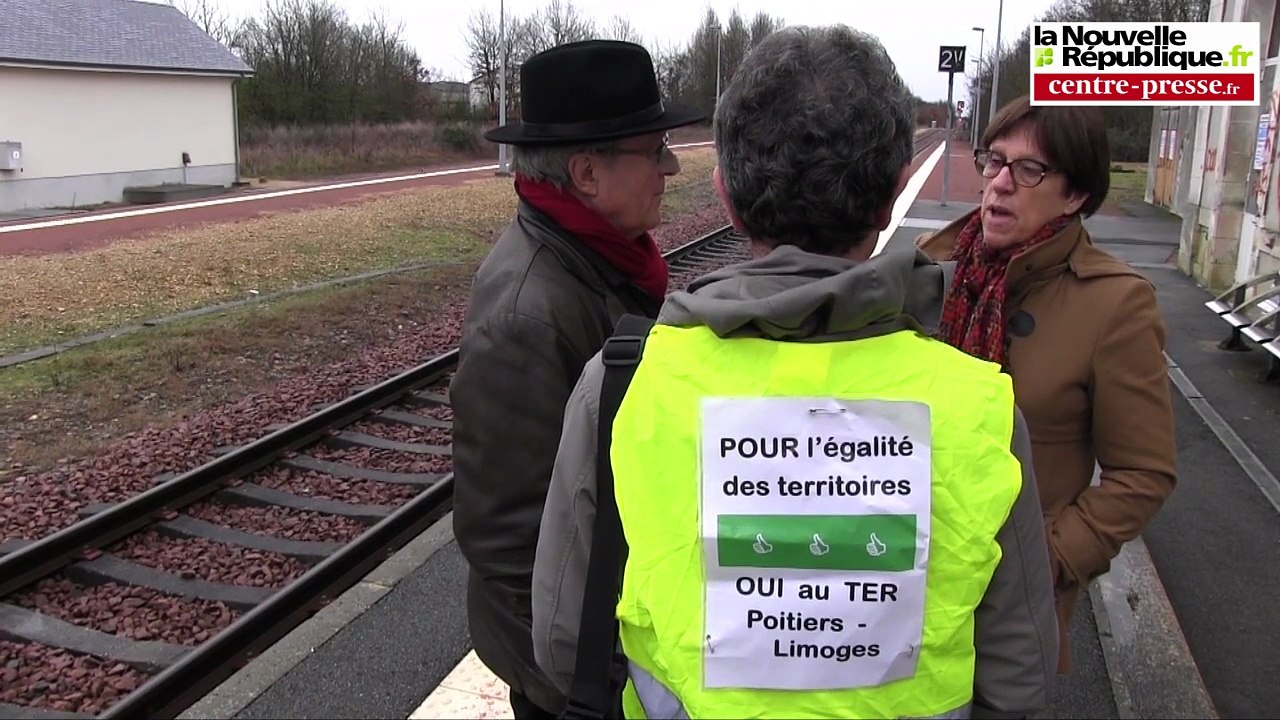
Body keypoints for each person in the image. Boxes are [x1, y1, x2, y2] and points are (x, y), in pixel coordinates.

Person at [531, 26, 1059, 720]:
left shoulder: (625, 385)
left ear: (727, 194)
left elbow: (565, 643)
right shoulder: (975, 405)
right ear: (891, 195)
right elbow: (1022, 677)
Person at [449, 39, 705, 720]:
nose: (671, 167)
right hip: (570, 674)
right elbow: (507, 542)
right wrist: (587, 685)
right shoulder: (526, 315)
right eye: (654, 151)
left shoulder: (602, 260)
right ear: (588, 174)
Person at [916, 95, 1178, 673]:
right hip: (911, 581)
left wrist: (1049, 558)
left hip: (1011, 608)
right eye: (994, 161)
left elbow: (1143, 473)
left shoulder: (1115, 305)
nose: (1001, 184)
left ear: (1077, 193)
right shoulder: (936, 269)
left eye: (1029, 170)